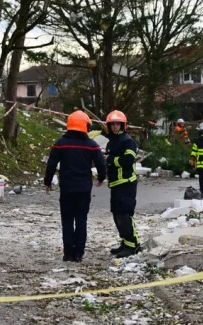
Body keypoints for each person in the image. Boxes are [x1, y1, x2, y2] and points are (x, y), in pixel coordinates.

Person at [44, 111, 107, 262]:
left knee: (67, 220)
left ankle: (68, 253)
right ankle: (78, 253)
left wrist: (47, 182)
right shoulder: (92, 145)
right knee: (81, 220)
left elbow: (51, 163)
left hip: (67, 188)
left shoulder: (60, 143)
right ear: (85, 125)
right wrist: (101, 178)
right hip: (84, 188)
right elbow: (101, 164)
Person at [104, 110, 140, 256]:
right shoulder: (112, 141)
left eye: (117, 124)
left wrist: (111, 160)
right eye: (112, 124)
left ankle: (132, 246)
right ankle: (125, 242)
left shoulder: (127, 141)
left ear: (123, 125)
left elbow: (128, 160)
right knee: (117, 214)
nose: (115, 127)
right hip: (115, 184)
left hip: (126, 183)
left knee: (125, 215)